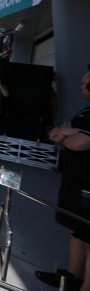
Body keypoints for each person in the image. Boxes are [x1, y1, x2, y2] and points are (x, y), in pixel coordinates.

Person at [35, 72, 90, 291]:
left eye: (85, 84)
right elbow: (56, 135)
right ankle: (72, 277)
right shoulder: (85, 112)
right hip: (75, 181)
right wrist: (71, 132)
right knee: (76, 230)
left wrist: (70, 133)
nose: (80, 87)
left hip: (87, 186)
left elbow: (78, 143)